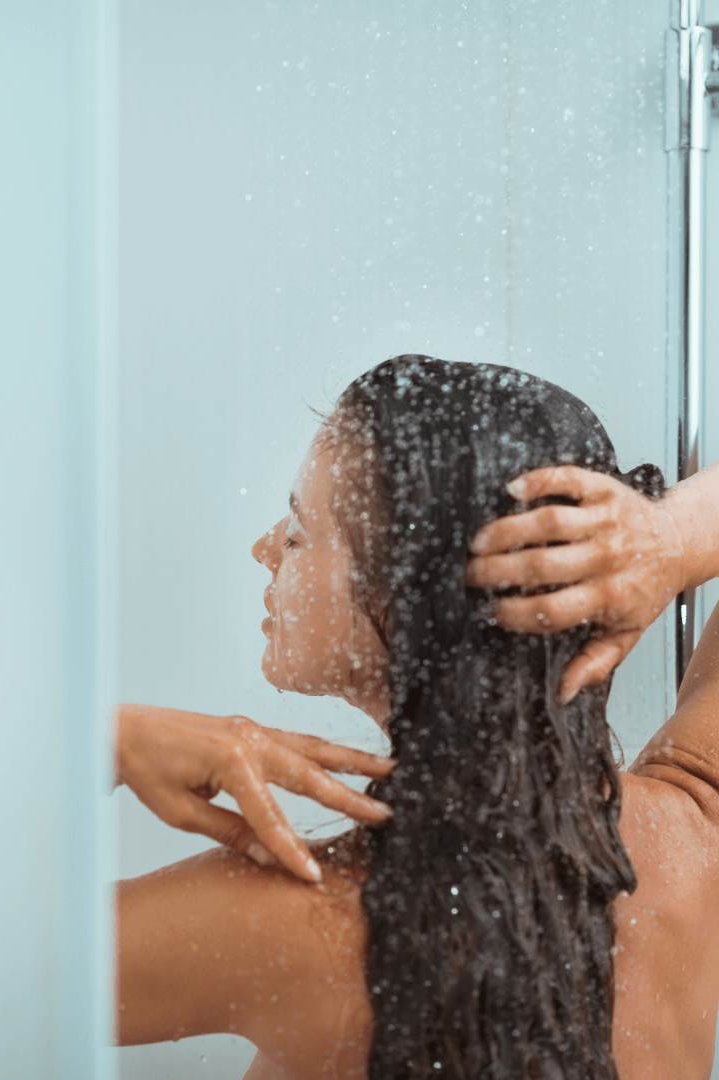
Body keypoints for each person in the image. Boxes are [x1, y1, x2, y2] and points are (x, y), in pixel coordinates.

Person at [114, 356, 719, 1080]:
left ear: (411, 606)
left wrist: (106, 740)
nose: (265, 549)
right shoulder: (695, 829)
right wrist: (665, 538)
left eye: (301, 530)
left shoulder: (295, 919)